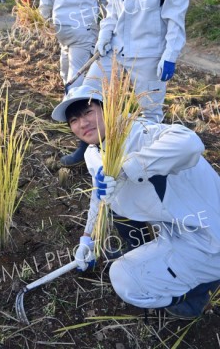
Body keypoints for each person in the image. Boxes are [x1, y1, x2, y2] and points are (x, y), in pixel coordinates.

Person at [52, 82, 220, 320]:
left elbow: (190, 143)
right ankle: (153, 255)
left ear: (108, 110)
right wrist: (88, 239)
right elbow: (100, 196)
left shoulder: (140, 132)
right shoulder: (94, 151)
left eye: (88, 112)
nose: (82, 123)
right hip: (173, 226)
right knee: (116, 205)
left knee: (124, 279)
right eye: (74, 120)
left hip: (206, 234)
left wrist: (127, 167)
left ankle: (198, 290)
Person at [39, 0, 106, 167]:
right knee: (78, 82)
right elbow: (106, 0)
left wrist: (42, 21)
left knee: (67, 73)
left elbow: (45, 3)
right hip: (83, 29)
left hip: (61, 29)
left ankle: (86, 140)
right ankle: (86, 142)